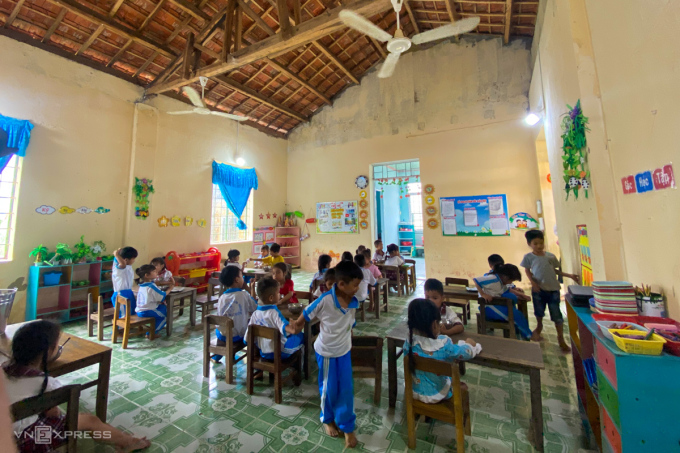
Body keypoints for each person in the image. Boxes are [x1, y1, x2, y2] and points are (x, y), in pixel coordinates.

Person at [3, 321, 150, 453]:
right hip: (23, 440)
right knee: (89, 420)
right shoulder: (46, 382)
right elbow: (53, 414)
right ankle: (129, 442)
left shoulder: (3, 368)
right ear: (48, 351)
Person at [293, 261, 363, 448]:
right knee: (329, 389)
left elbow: (350, 325)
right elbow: (307, 314)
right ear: (341, 285)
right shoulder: (325, 300)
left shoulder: (353, 301)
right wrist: (296, 326)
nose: (358, 288)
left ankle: (347, 426)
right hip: (326, 353)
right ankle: (327, 418)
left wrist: (350, 341)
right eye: (355, 285)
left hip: (344, 352)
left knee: (346, 389)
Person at [403, 299, 481, 404]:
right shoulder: (443, 346)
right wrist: (470, 345)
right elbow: (465, 353)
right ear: (435, 324)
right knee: (462, 386)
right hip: (437, 394)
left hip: (414, 391)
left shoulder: (408, 344)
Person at [520, 230, 580, 351]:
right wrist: (533, 283)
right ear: (529, 244)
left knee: (557, 314)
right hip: (538, 290)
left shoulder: (550, 256)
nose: (539, 246)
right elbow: (527, 271)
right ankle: (539, 327)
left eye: (541, 243)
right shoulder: (528, 257)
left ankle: (561, 339)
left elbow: (555, 271)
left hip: (553, 290)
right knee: (539, 312)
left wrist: (570, 276)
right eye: (535, 243)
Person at [245, 277, 303, 359]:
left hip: (263, 353)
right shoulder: (274, 313)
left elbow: (246, 340)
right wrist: (301, 322)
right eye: (278, 293)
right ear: (271, 298)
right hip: (280, 352)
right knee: (301, 337)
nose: (280, 295)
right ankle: (299, 367)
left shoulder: (255, 314)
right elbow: (292, 330)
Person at [474, 264, 532, 340]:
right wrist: (483, 294)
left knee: (518, 313)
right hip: (488, 308)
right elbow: (476, 280)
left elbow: (508, 289)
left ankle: (521, 335)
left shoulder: (500, 282)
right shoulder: (493, 279)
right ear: (505, 277)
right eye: (511, 280)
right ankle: (528, 336)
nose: (510, 282)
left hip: (496, 306)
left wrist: (522, 295)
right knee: (516, 316)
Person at [211, 266, 257, 363]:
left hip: (223, 335)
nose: (243, 279)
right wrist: (251, 288)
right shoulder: (244, 295)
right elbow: (254, 308)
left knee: (222, 329)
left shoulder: (222, 297)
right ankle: (255, 358)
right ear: (237, 279)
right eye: (241, 276)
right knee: (252, 325)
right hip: (239, 336)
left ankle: (217, 356)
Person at [135, 264, 171, 334]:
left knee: (163, 307)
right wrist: (170, 289)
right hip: (147, 311)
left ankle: (157, 324)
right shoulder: (151, 286)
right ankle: (151, 333)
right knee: (166, 317)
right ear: (147, 275)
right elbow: (162, 296)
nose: (156, 272)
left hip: (140, 310)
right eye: (154, 271)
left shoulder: (142, 285)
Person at [112, 247, 138, 316]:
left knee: (131, 313)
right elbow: (122, 264)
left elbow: (123, 263)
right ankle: (122, 327)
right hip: (121, 295)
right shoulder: (119, 268)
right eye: (133, 258)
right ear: (126, 259)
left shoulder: (128, 266)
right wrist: (117, 255)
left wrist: (119, 254)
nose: (134, 261)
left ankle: (130, 327)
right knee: (124, 316)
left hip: (128, 292)